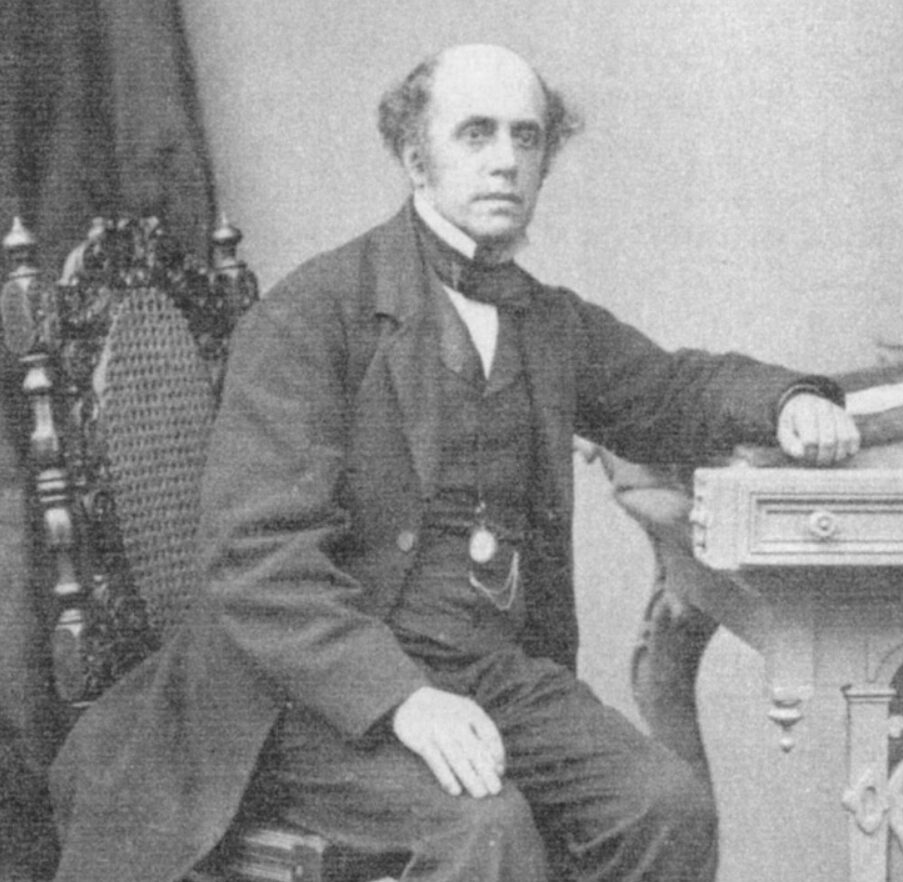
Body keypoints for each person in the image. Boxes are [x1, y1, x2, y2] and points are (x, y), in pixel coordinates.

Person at [49, 43, 859, 882]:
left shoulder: (544, 321)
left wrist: (789, 401)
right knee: (486, 833)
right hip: (305, 696)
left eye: (527, 137)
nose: (506, 160)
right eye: (476, 134)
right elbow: (258, 560)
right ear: (414, 157)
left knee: (663, 807)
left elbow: (674, 389)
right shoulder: (310, 317)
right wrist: (402, 698)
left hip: (486, 671)